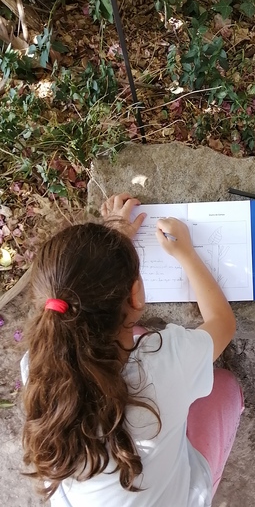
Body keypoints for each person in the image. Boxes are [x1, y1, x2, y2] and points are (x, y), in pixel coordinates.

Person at [21, 193, 243, 507]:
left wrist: (112, 245)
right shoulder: (165, 362)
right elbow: (222, 322)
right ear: (136, 296)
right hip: (180, 496)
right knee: (225, 386)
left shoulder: (37, 364)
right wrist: (187, 254)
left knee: (136, 336)